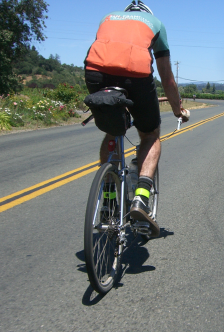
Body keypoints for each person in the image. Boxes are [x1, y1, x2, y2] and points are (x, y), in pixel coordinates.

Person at [84, 0, 189, 235]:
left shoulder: (108, 17)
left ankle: (109, 201)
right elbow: (167, 77)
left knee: (113, 129)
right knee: (150, 134)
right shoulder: (156, 24)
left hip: (95, 72)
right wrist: (177, 109)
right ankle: (141, 198)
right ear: (147, 15)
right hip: (136, 74)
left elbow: (105, 51)